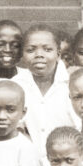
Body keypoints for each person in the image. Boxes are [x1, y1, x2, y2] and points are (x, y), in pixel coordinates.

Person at [14, 24, 72, 158]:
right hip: (27, 164)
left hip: (66, 164)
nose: (39, 55)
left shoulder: (73, 84)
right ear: (22, 55)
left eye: (47, 49)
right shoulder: (15, 86)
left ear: (58, 54)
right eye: (30, 50)